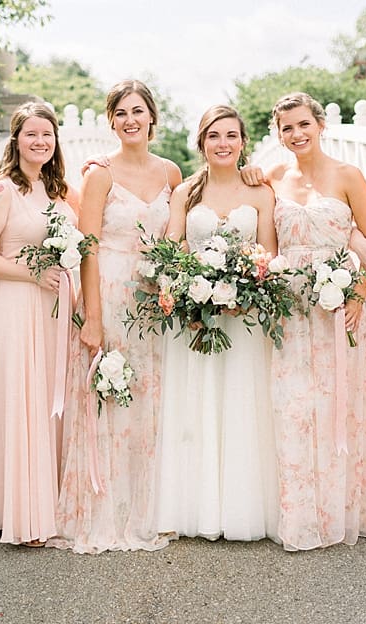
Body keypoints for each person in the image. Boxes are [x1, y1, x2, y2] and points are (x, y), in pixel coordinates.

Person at [54, 80, 182, 553]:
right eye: (121, 113)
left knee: (150, 394)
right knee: (108, 394)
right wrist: (91, 314)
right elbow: (86, 245)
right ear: (111, 121)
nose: (130, 120)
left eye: (138, 111)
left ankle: (150, 505)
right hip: (108, 287)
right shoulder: (100, 174)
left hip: (152, 297)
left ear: (152, 117)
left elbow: (180, 234)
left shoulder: (171, 172)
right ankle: (103, 505)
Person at [261, 93, 366, 550]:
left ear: (320, 125)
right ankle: (300, 514)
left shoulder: (349, 176)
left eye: (303, 125)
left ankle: (345, 510)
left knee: (341, 408)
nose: (296, 135)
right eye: (286, 128)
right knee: (294, 408)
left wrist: (356, 294)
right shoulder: (272, 178)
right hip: (290, 310)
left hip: (341, 310)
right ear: (278, 135)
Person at [154, 104, 280, 542]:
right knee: (198, 406)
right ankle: (197, 507)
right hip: (195, 320)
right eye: (213, 136)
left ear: (243, 141)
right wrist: (188, 289)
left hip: (243, 320)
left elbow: (267, 254)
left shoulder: (261, 192)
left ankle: (242, 508)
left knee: (242, 404)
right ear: (201, 142)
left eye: (231, 135)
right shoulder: (186, 193)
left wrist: (245, 289)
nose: (222, 143)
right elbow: (171, 251)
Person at [0, 101, 80, 546]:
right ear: (16, 141)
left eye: (47, 135)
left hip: (52, 310)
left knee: (48, 402)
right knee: (23, 401)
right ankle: (21, 515)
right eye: (31, 134)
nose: (40, 141)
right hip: (14, 305)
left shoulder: (55, 192)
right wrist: (32, 273)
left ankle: (44, 503)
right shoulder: (2, 190)